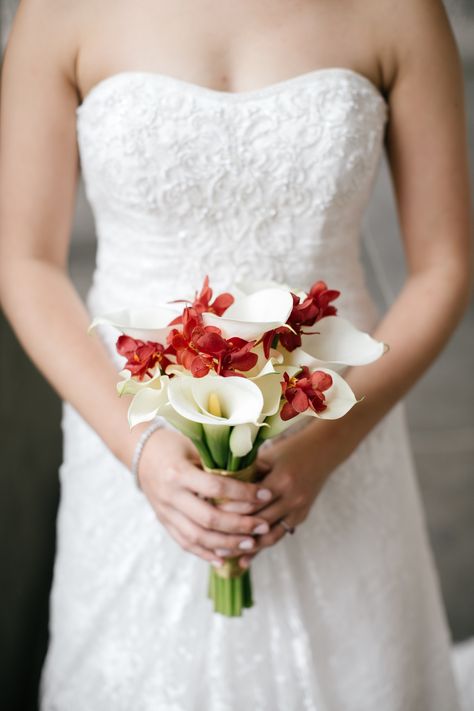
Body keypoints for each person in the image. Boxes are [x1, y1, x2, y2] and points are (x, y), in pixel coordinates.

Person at [0, 0, 472, 709]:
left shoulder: (402, 10)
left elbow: (445, 265)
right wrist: (143, 450)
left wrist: (325, 446)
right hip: (130, 437)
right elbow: (23, 260)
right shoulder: (58, 11)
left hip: (340, 437)